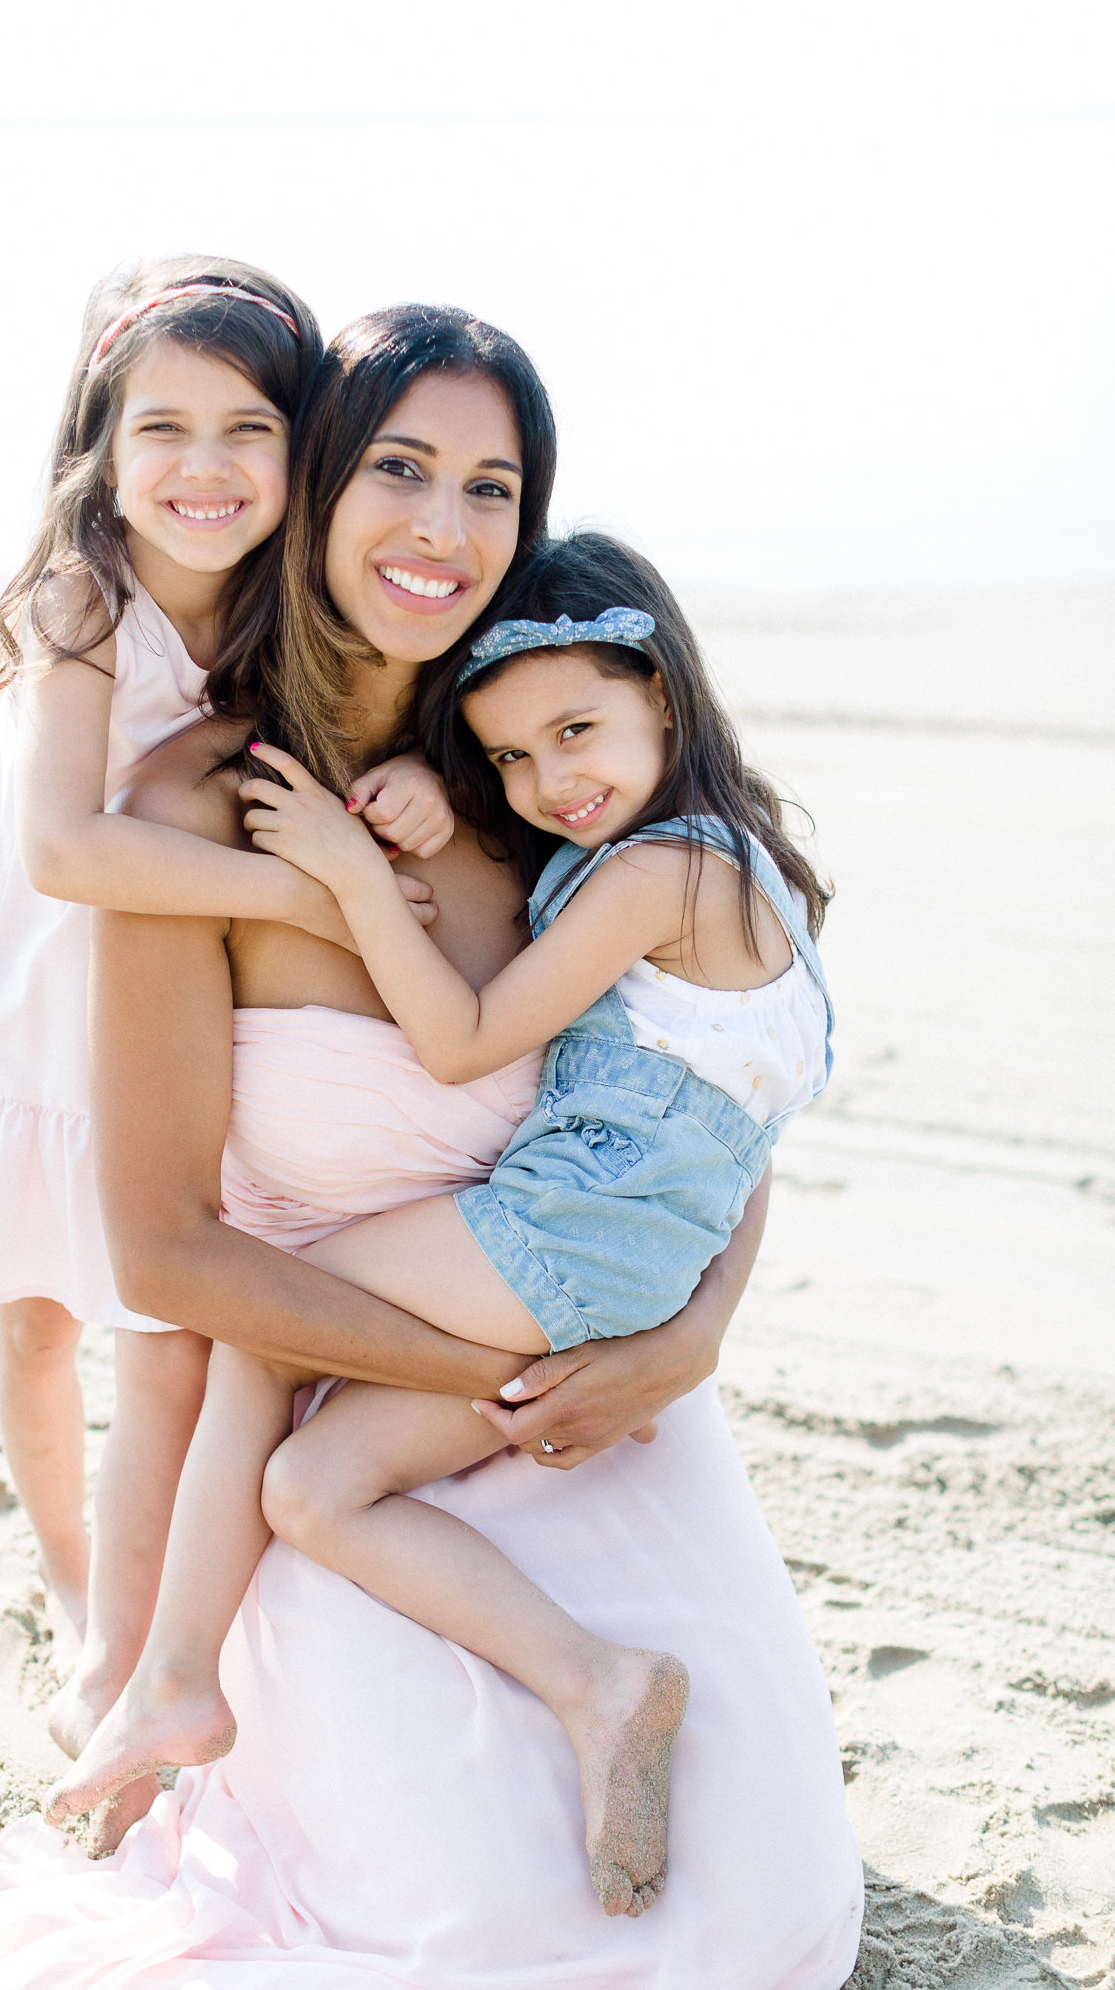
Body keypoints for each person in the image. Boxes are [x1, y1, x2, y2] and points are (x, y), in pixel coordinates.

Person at [0, 307, 863, 1990]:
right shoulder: (196, 813)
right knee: (478, 1932)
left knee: (766, 1911)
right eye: (401, 468)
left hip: (610, 1402)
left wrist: (689, 1337)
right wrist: (501, 1371)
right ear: (324, 482)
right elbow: (164, 1264)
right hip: (348, 1415)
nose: (442, 527)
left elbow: (711, 1084)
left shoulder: (538, 782)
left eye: (491, 487)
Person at [46, 532, 834, 1919]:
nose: (549, 783)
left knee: (257, 1331)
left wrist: (348, 878)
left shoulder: (645, 874)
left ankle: (173, 1683)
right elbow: (736, 1121)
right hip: (627, 1271)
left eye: (575, 733)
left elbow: (464, 1040)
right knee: (312, 1488)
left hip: (554, 1251)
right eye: (516, 760)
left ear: (665, 694)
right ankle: (600, 1682)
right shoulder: (748, 871)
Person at [0, 257, 451, 1670]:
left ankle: (151, 1614)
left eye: (248, 430)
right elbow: (65, 850)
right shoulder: (83, 607)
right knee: (34, 1323)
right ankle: (74, 1584)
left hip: (179, 1033)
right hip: (38, 1014)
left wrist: (415, 791)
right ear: (101, 447)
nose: (207, 467)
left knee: (170, 1337)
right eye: (163, 429)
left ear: (298, 450)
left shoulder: (285, 602)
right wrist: (310, 899)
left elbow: (364, 734)